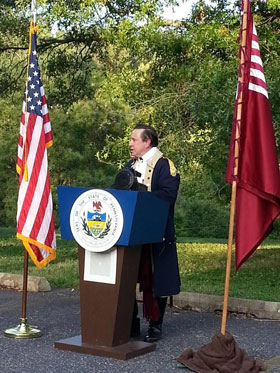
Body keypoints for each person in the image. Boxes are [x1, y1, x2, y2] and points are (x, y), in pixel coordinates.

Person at [127, 123, 181, 343]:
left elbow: (168, 195)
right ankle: (130, 322)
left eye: (134, 140)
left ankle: (155, 324)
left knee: (157, 279)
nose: (130, 144)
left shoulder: (164, 165)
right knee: (127, 276)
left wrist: (142, 201)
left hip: (157, 233)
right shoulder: (129, 165)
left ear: (147, 142)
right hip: (131, 233)